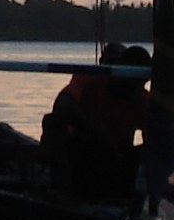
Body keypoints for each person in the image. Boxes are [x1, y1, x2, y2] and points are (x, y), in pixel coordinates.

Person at [40, 44, 152, 201]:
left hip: (117, 160)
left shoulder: (143, 101)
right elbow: (62, 104)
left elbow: (153, 142)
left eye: (139, 83)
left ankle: (141, 201)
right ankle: (63, 193)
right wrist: (95, 133)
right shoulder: (90, 80)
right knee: (53, 122)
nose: (133, 88)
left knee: (170, 143)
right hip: (83, 154)